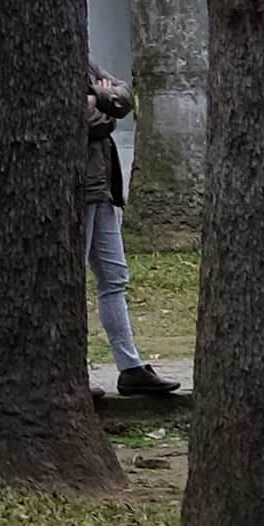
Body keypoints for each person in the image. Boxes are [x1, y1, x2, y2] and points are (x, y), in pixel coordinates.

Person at [83, 64, 177, 406]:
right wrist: (106, 111)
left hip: (103, 188)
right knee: (70, 283)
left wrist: (100, 99)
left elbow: (126, 96)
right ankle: (73, 370)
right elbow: (88, 121)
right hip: (78, 188)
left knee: (115, 278)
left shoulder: (87, 61)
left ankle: (130, 367)